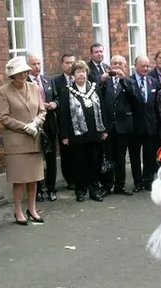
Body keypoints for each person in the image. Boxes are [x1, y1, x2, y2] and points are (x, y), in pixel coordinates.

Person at [0, 56, 46, 225]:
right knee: (19, 179)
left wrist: (36, 123)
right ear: (12, 75)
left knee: (34, 178)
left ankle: (31, 208)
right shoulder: (3, 91)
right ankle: (18, 211)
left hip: (34, 139)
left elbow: (42, 111)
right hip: (17, 142)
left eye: (25, 71)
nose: (23, 75)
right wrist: (24, 127)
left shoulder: (34, 88)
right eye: (19, 72)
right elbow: (3, 117)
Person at [58, 60, 107, 202]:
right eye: (78, 71)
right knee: (79, 163)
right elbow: (64, 115)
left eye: (83, 71)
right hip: (77, 134)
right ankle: (80, 191)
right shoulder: (66, 91)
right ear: (73, 75)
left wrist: (104, 129)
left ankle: (94, 190)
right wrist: (65, 135)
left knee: (94, 162)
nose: (81, 74)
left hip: (95, 132)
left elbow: (102, 108)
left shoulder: (95, 87)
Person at [101, 55, 135, 196]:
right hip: (108, 126)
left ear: (125, 67)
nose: (117, 66)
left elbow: (133, 97)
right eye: (114, 63)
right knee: (109, 157)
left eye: (120, 64)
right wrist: (102, 81)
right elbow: (99, 97)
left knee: (121, 157)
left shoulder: (128, 82)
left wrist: (122, 81)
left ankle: (120, 185)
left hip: (123, 125)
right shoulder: (105, 81)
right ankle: (107, 186)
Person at [27, 54, 58, 202]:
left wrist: (54, 104)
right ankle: (38, 190)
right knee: (36, 160)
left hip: (50, 125)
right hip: (35, 126)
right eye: (33, 64)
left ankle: (51, 188)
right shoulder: (25, 83)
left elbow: (57, 97)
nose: (37, 67)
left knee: (51, 158)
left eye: (39, 63)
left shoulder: (47, 80)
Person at [129, 55, 161, 192]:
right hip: (135, 126)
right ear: (135, 65)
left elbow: (156, 106)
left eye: (148, 66)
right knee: (135, 156)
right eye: (143, 66)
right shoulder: (128, 81)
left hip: (150, 126)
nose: (145, 68)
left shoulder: (153, 82)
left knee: (149, 155)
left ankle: (148, 180)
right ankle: (138, 182)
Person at [53, 53, 77, 191]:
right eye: (67, 63)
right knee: (66, 153)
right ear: (62, 65)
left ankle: (81, 178)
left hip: (79, 122)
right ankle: (70, 180)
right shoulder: (56, 82)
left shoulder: (81, 79)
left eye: (72, 62)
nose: (70, 65)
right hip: (64, 122)